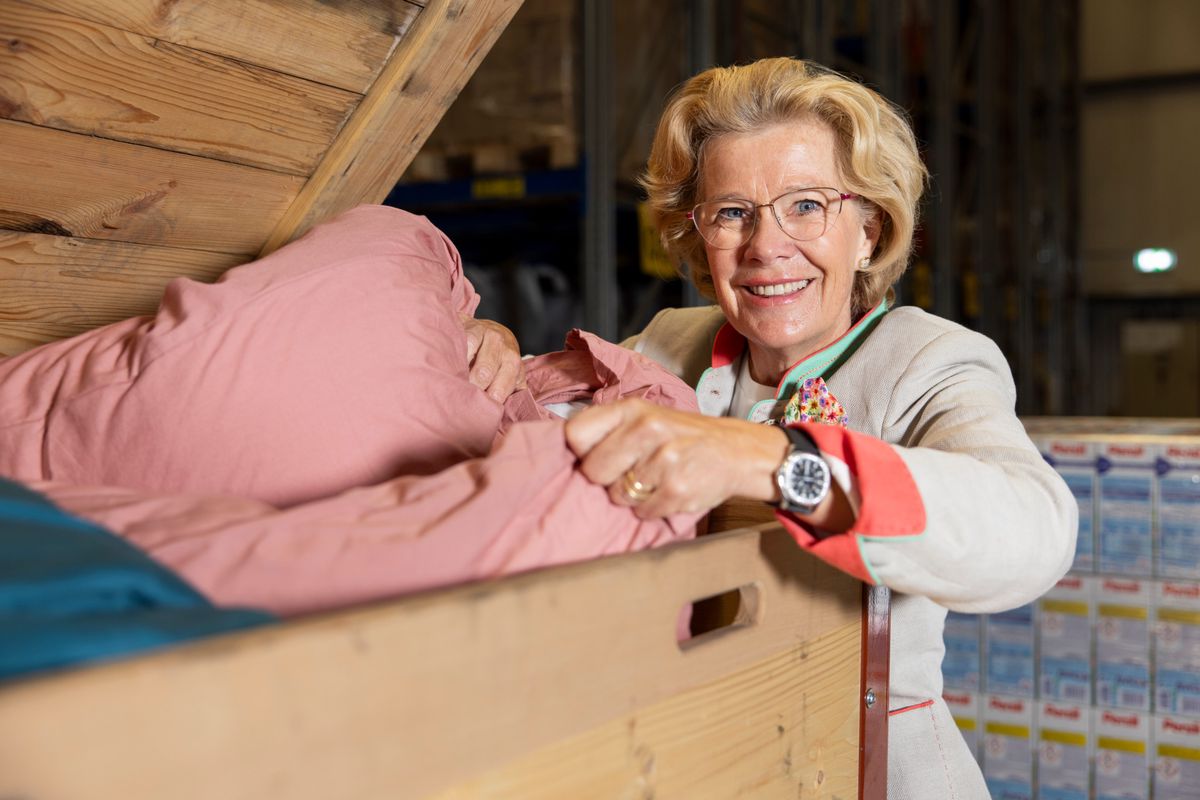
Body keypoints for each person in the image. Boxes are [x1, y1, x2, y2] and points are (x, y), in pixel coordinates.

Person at [515, 58, 1073, 798]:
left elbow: (1031, 533)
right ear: (697, 236)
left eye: (806, 206)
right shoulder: (668, 345)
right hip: (704, 754)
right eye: (732, 212)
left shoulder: (929, 362)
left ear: (869, 231)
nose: (766, 247)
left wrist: (774, 461)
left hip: (874, 759)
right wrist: (494, 354)